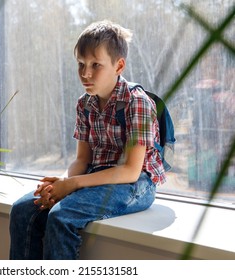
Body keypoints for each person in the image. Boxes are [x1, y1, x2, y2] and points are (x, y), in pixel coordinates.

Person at [9, 20, 166, 260]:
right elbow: (82, 159)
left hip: (136, 184)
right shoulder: (85, 103)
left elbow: (131, 171)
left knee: (62, 216)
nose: (86, 73)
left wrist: (72, 185)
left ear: (119, 65)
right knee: (22, 210)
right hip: (96, 175)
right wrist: (61, 182)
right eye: (81, 64)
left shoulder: (138, 102)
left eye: (96, 65)